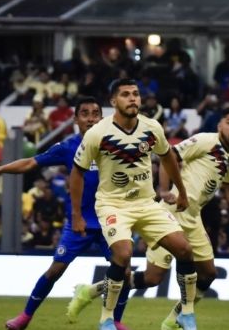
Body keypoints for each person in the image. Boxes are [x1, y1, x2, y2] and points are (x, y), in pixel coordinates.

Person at [67, 108, 229, 330]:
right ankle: (91, 291)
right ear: (220, 125)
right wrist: (165, 189)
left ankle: (174, 320)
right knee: (153, 278)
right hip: (172, 212)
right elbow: (170, 156)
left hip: (193, 217)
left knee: (209, 273)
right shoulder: (205, 141)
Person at [0, 97, 133, 330]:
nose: (90, 118)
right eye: (85, 113)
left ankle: (115, 321)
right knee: (55, 270)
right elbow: (31, 162)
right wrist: (0, 169)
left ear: (102, 118)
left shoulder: (114, 145)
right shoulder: (68, 147)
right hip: (78, 221)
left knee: (126, 272)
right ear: (76, 119)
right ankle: (25, 318)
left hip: (110, 220)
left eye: (95, 113)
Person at [71, 79, 198, 330]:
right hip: (113, 205)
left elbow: (168, 158)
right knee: (123, 253)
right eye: (126, 95)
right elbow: (77, 174)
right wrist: (76, 214)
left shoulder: (152, 128)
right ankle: (106, 319)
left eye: (136, 94)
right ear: (113, 102)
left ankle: (186, 313)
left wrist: (180, 191)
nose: (133, 99)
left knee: (184, 249)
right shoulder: (98, 132)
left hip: (147, 203)